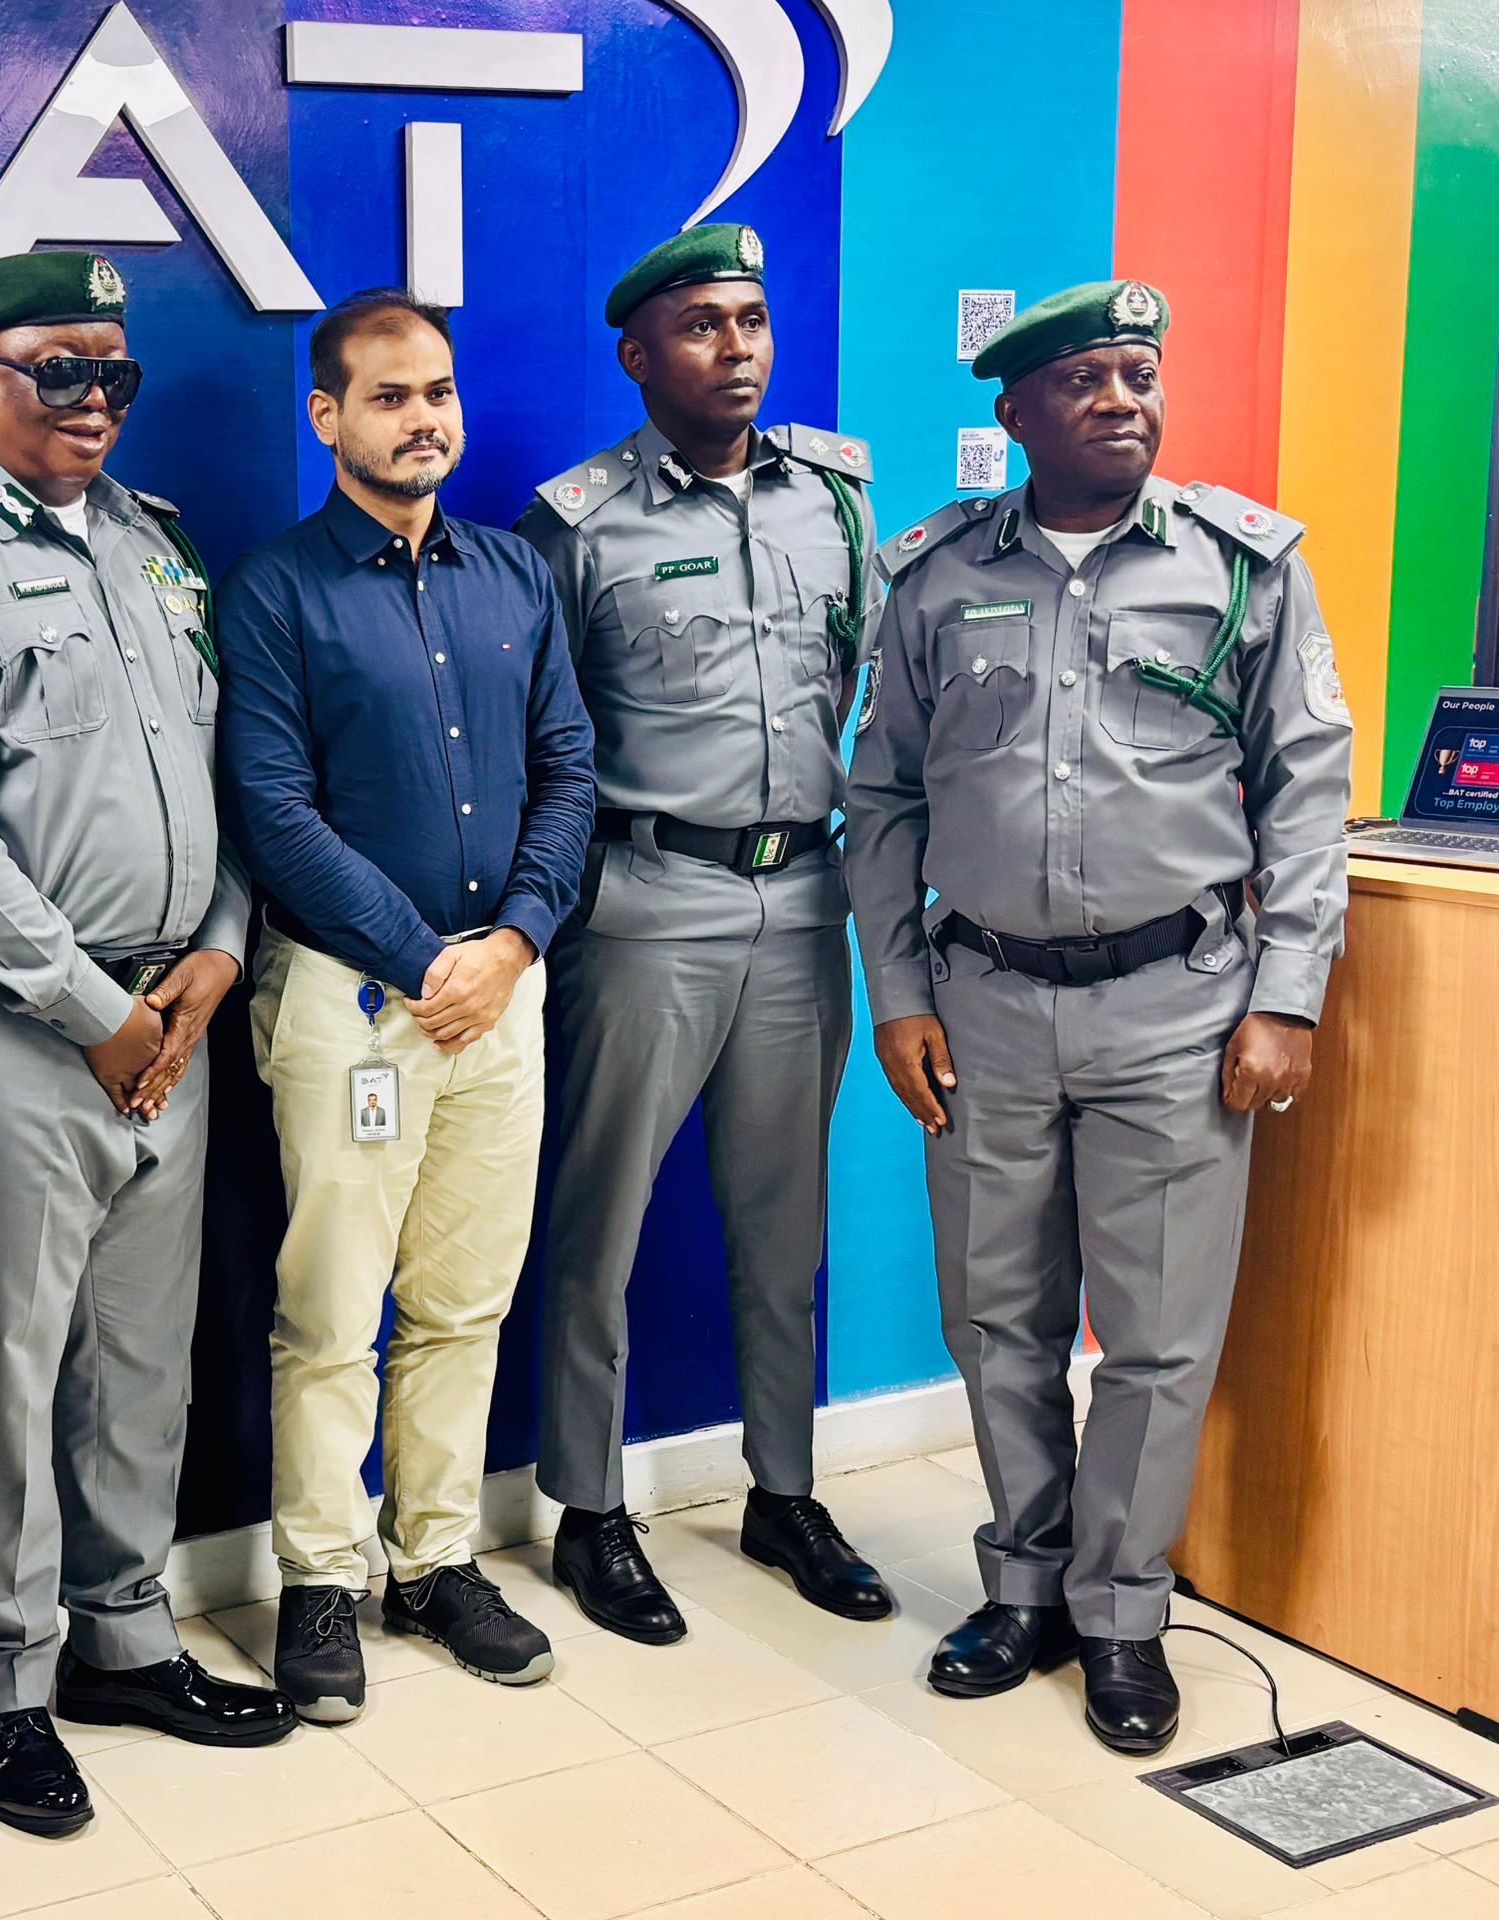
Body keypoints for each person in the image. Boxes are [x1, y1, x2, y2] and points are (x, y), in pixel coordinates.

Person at [845, 280, 1352, 1755]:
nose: (1124, 399)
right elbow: (882, 799)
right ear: (1015, 413)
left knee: (1156, 1335)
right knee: (995, 1316)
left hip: (1177, 1009)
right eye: (1085, 380)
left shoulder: (1245, 568)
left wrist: (1287, 997)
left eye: (1140, 373)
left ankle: (1124, 1611)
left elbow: (1307, 795)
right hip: (983, 1008)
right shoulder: (935, 577)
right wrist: (898, 992)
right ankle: (1026, 1587)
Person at [0, 250, 294, 1834]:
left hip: (175, 1017)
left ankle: (125, 1640)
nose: (95, 400)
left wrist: (216, 955)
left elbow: (222, 782)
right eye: (58, 370)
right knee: (12, 1377)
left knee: (142, 1363)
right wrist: (102, 1016)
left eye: (115, 371)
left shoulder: (159, 548)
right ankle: (1, 1689)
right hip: (27, 1033)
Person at [216, 288, 595, 1721]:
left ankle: (433, 1564)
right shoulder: (274, 591)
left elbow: (569, 771)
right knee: (330, 1313)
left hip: (503, 998)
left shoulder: (516, 578)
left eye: (437, 391)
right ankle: (321, 1579)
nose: (421, 418)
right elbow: (271, 810)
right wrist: (428, 958)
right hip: (354, 1004)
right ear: (328, 416)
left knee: (464, 1300)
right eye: (388, 396)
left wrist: (515, 942)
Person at [514, 224, 889, 1642]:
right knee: (598, 1220)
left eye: (752, 320)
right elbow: (547, 742)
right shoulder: (579, 525)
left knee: (784, 1222)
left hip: (802, 900)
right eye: (700, 326)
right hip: (646, 901)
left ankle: (784, 1491)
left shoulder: (837, 500)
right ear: (636, 355)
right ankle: (589, 1508)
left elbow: (872, 683)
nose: (736, 350)